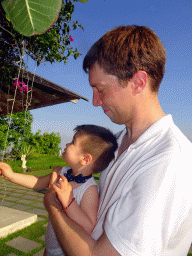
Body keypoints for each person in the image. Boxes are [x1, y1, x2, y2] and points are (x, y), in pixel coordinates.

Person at [43, 25, 192, 256]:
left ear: (139, 82)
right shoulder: (116, 142)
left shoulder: (169, 159)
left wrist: (53, 206)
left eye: (100, 89)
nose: (95, 101)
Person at [0, 124, 118, 256]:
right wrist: (11, 175)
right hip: (50, 246)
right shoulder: (61, 172)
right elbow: (38, 182)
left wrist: (68, 200)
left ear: (85, 159)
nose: (67, 144)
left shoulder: (89, 189)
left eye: (73, 142)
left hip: (65, 250)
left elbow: (89, 225)